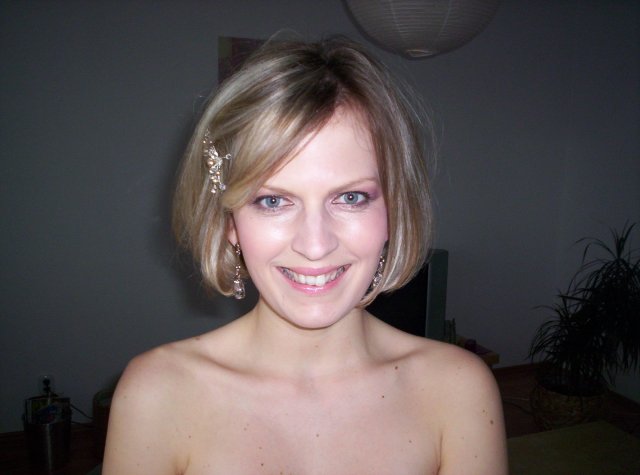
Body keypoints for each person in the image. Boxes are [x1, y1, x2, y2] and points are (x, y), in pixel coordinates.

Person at [102, 35, 507, 475]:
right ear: (229, 222)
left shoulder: (458, 390)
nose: (315, 245)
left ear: (394, 209)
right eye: (273, 201)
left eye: (351, 197)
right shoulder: (158, 395)